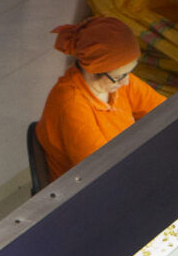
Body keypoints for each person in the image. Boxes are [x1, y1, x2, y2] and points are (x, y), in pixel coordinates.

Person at [36, 16, 164, 181]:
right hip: (89, 185)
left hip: (120, 162)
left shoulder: (118, 82)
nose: (126, 82)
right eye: (120, 76)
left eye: (129, 72)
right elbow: (103, 174)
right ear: (94, 70)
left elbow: (165, 112)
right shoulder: (71, 105)